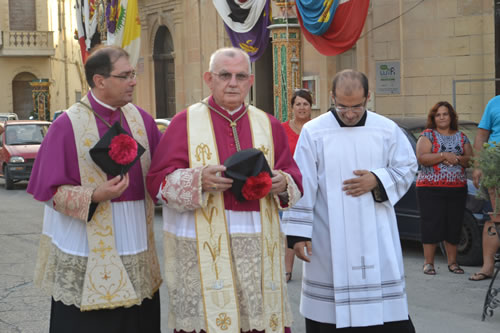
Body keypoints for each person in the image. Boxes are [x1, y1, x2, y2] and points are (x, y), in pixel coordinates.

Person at [146, 47, 303, 333]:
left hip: (258, 245)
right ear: (209, 78)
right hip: (203, 246)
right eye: (225, 75)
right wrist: (198, 180)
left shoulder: (268, 124)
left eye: (240, 76)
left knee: (256, 320)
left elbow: (293, 176)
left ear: (250, 81)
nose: (233, 82)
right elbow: (157, 183)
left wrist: (282, 182)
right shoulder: (185, 123)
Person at [27, 46, 162, 332]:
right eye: (125, 75)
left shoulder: (142, 120)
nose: (133, 81)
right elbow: (49, 192)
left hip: (136, 238)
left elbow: (161, 175)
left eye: (133, 74)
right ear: (100, 81)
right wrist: (94, 196)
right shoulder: (67, 125)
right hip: (87, 243)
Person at [283, 69, 417, 332]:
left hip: (376, 230)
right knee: (328, 312)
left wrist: (377, 180)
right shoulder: (314, 131)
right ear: (332, 97)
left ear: (368, 97)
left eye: (357, 105)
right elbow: (302, 183)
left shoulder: (386, 129)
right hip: (328, 234)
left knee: (385, 309)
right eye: (342, 106)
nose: (350, 113)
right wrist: (297, 236)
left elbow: (407, 167)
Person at [415, 101, 472, 275]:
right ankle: (429, 263)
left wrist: (455, 158)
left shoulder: (462, 137)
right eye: (438, 114)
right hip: (430, 189)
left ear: (451, 116)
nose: (442, 117)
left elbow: (469, 159)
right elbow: (422, 158)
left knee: (454, 225)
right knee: (431, 224)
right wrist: (442, 156)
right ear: (433, 118)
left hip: (456, 188)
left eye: (445, 114)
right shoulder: (427, 135)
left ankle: (453, 263)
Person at [281, 89, 313, 282]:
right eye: (298, 104)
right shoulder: (283, 129)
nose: (302, 108)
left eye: (305, 104)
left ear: (311, 107)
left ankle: (318, 270)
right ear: (292, 107)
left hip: (312, 185)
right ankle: (287, 269)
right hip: (290, 186)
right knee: (289, 228)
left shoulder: (316, 128)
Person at [470, 95, 500, 281]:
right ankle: (487, 267)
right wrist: (479, 165)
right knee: (495, 216)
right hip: (495, 167)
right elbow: (481, 136)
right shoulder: (494, 103)